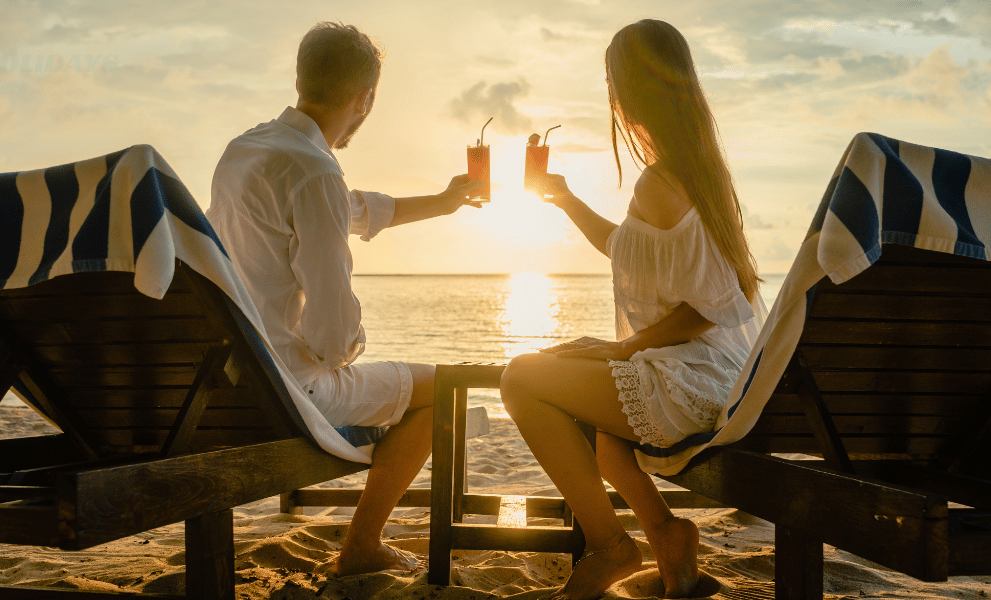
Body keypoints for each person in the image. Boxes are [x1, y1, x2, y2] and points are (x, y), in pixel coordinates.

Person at [500, 19, 766, 600]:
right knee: (586, 398)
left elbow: (711, 308)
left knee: (521, 379)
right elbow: (629, 248)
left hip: (700, 380)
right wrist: (567, 199)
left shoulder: (662, 182)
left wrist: (625, 347)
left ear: (626, 92)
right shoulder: (699, 173)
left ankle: (613, 546)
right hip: (721, 371)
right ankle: (667, 538)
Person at [206, 22, 482, 577]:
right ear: (365, 98)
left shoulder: (248, 150)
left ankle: (364, 541)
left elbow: (352, 209)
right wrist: (355, 342)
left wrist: (444, 202)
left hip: (236, 377)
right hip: (293, 390)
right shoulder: (314, 171)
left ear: (303, 78)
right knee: (448, 392)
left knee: (426, 387)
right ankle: (362, 545)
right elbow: (331, 342)